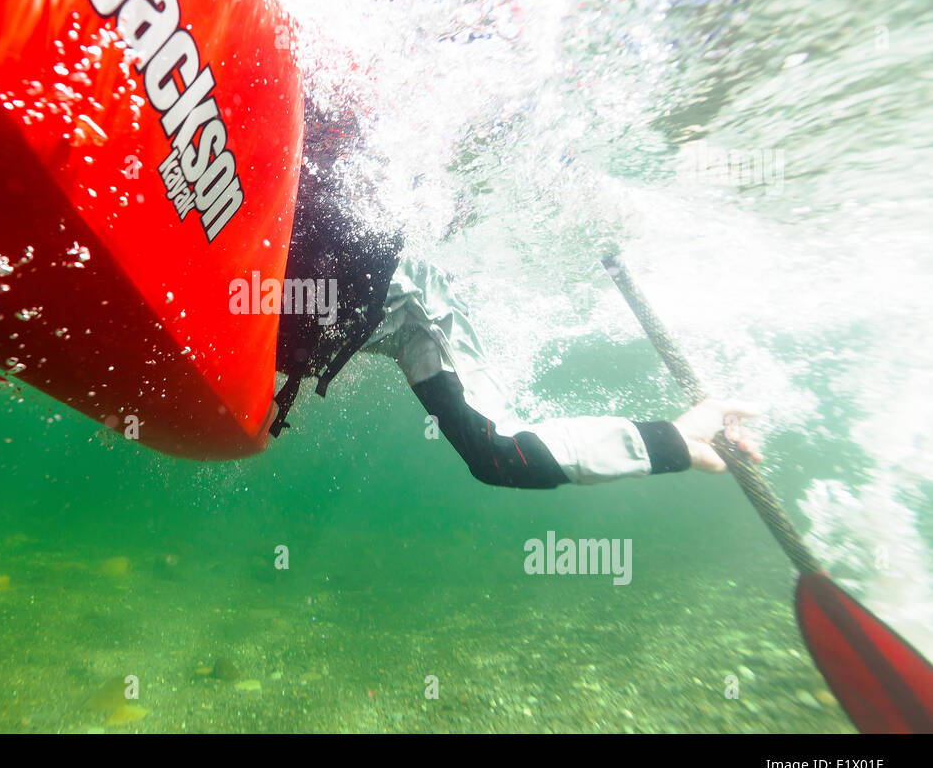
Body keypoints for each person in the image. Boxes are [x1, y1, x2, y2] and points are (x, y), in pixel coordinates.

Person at [272, 99, 762, 488]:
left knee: (497, 455)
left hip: (392, 298)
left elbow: (506, 455)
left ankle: (683, 436)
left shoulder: (393, 279)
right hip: (316, 274)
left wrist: (671, 443)